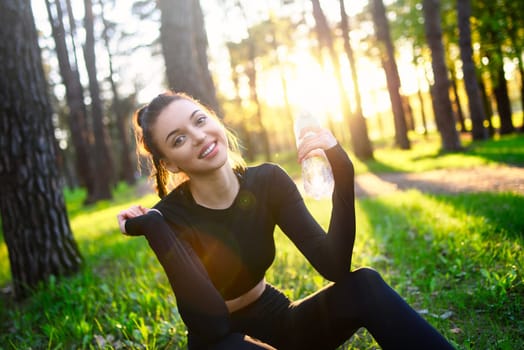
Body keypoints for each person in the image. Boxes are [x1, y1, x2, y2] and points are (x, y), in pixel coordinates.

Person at [117, 91, 454, 349]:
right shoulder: (171, 218)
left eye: (200, 120)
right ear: (171, 163)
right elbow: (213, 326)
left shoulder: (268, 181)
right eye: (179, 139)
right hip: (224, 344)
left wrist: (344, 170)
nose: (199, 136)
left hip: (277, 316)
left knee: (364, 284)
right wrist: (155, 228)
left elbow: (334, 266)